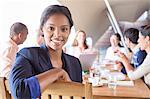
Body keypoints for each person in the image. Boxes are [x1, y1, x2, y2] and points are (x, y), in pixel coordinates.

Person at [9, 5, 82, 99]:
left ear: (69, 31)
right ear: (42, 29)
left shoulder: (75, 63)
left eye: (64, 29)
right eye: (51, 28)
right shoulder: (27, 56)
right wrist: (57, 72)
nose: (57, 35)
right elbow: (19, 92)